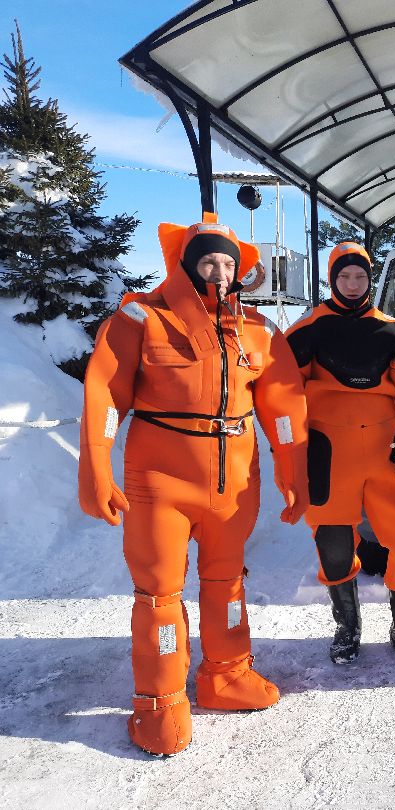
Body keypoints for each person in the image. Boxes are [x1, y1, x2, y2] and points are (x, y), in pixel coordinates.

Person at [78, 215, 309, 756]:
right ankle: (158, 701)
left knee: (227, 582)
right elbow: (106, 397)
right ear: (187, 263)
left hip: (234, 481)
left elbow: (283, 408)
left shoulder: (258, 330)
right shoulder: (141, 319)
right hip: (160, 481)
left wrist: (291, 471)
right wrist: (97, 468)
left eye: (229, 263)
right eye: (209, 261)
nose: (220, 272)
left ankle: (225, 673)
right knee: (159, 592)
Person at [285, 241, 395, 665]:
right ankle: (346, 627)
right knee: (334, 543)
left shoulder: (394, 331)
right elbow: (282, 393)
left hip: (386, 451)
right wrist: (289, 454)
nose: (352, 285)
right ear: (332, 279)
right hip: (328, 454)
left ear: (370, 279)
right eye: (344, 277)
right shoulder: (307, 329)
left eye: (360, 277)